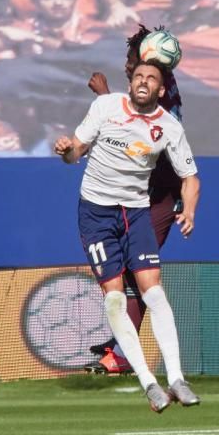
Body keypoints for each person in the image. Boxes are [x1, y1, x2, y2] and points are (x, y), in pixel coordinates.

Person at [53, 58, 200, 413]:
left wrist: (190, 210)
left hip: (135, 213)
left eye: (151, 78)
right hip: (97, 213)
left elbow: (190, 178)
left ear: (161, 90)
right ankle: (148, 382)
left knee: (154, 292)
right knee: (115, 299)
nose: (143, 82)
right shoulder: (105, 106)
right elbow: (76, 152)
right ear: (131, 82)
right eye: (138, 76)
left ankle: (177, 378)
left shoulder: (168, 127)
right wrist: (65, 152)